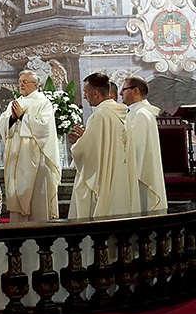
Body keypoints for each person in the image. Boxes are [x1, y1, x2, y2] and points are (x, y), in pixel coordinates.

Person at [67, 73, 140, 218]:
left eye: (85, 92)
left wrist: (78, 143)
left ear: (95, 93)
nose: (85, 96)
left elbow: (86, 152)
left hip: (104, 179)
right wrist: (85, 138)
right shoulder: (122, 114)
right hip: (121, 174)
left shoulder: (100, 115)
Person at [0, 70, 60, 222]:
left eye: (25, 82)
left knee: (36, 196)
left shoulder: (42, 102)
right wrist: (12, 119)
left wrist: (23, 116)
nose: (21, 85)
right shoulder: (15, 103)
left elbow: (44, 128)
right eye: (20, 82)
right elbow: (2, 124)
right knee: (17, 191)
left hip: (34, 156)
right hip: (15, 155)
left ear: (36, 85)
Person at [121, 76, 167, 212]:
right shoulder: (138, 112)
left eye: (124, 89)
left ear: (135, 91)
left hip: (140, 175)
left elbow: (134, 149)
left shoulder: (141, 114)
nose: (120, 93)